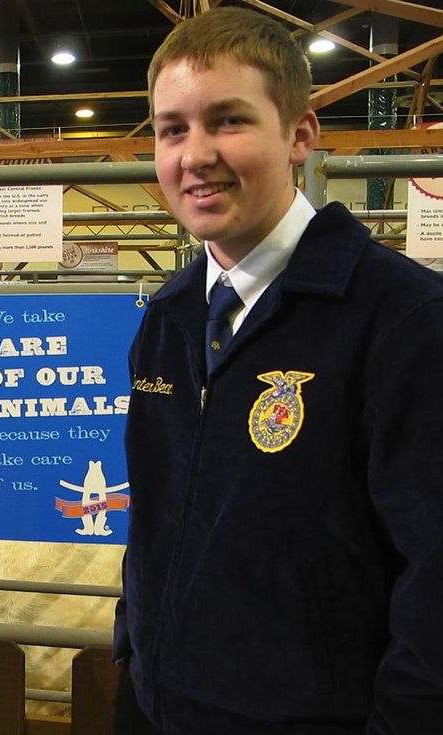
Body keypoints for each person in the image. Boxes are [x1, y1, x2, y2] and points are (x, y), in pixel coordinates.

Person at [114, 7, 443, 734]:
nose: (194, 155)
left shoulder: (404, 319)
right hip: (159, 708)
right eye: (172, 129)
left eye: (227, 121)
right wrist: (134, 655)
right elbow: (156, 516)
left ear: (299, 134)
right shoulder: (167, 320)